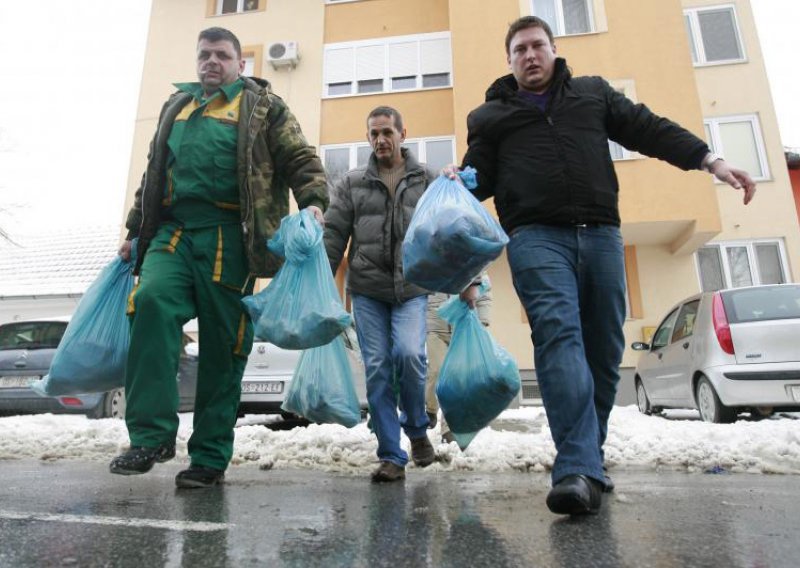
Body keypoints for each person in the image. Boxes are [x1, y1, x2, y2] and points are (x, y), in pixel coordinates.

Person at [447, 16, 756, 515]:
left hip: (602, 234)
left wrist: (710, 161)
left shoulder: (592, 94)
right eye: (520, 49)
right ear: (509, 60)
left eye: (538, 46)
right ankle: (575, 469)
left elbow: (648, 129)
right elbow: (477, 178)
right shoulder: (491, 116)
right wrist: (454, 182)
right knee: (558, 335)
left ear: (554, 50)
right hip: (535, 238)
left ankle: (588, 455)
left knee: (604, 348)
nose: (530, 55)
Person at [109, 27, 327, 488]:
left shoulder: (262, 106)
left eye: (222, 55)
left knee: (223, 347)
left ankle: (208, 457)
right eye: (205, 54)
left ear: (239, 64)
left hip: (232, 235)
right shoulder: (176, 106)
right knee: (149, 303)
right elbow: (153, 174)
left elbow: (300, 158)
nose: (212, 62)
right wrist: (134, 229)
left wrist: (313, 201)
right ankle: (150, 436)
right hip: (173, 233)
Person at [324, 106, 436, 482]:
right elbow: (334, 234)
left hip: (412, 286)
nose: (380, 139)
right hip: (368, 289)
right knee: (377, 368)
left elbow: (446, 231)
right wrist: (321, 281)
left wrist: (466, 278)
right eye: (373, 134)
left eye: (387, 132)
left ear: (403, 133)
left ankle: (417, 428)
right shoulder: (353, 182)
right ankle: (391, 453)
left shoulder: (427, 180)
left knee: (409, 355)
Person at [425, 272, 492, 443]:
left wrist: (483, 320)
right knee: (437, 371)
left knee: (455, 376)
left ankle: (449, 428)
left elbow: (484, 290)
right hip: (434, 326)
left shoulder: (470, 254)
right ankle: (430, 408)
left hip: (461, 326)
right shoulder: (432, 257)